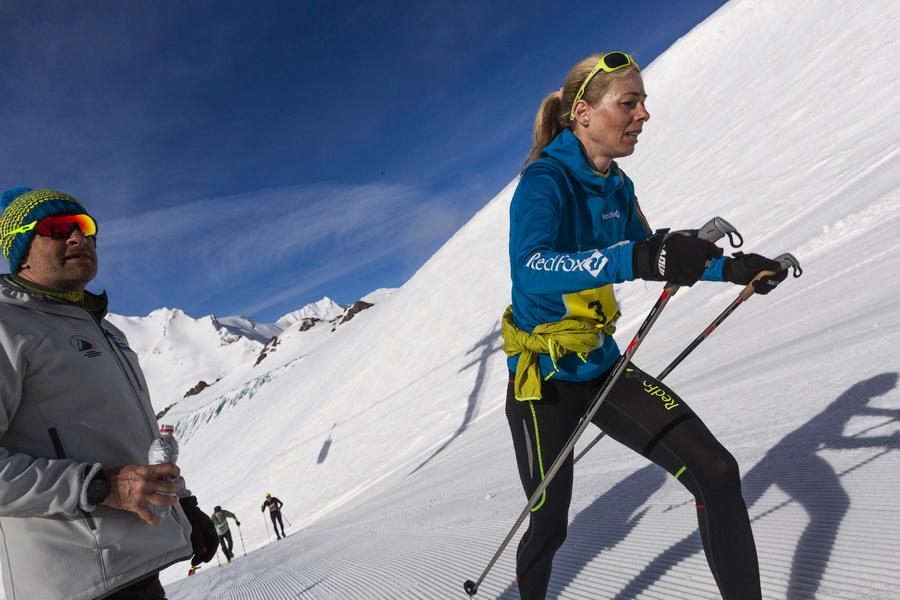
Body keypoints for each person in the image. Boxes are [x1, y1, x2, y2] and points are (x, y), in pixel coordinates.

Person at [502, 52, 788, 600]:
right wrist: (635, 259)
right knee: (550, 523)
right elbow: (531, 269)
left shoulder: (617, 185)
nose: (643, 115)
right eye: (629, 103)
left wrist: (733, 269)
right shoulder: (545, 181)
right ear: (583, 113)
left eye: (643, 102)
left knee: (716, 470)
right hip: (544, 382)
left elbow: (655, 252)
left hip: (602, 366)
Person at [0, 187, 219, 600]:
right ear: (21, 252)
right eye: (57, 228)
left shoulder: (106, 331)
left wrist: (185, 507)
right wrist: (98, 486)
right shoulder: (7, 327)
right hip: (73, 583)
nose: (77, 238)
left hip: (134, 569)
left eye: (84, 227)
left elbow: (134, 437)